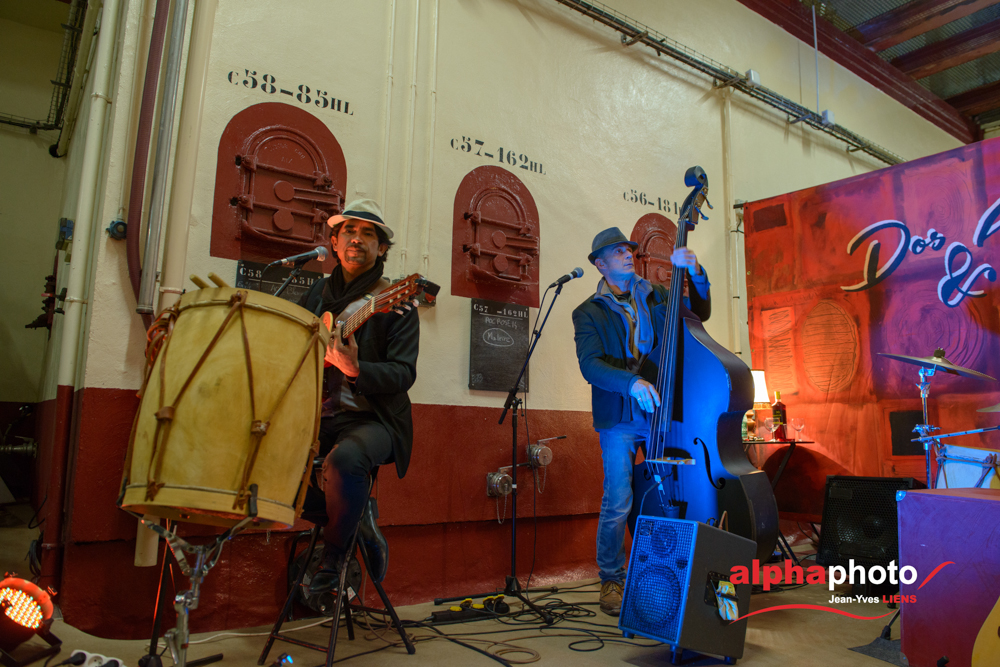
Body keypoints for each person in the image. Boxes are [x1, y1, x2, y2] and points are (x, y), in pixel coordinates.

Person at [571, 226, 711, 616]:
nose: (627, 254)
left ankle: (669, 573)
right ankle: (612, 578)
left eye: (629, 250)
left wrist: (696, 272)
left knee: (669, 495)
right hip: (619, 418)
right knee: (618, 499)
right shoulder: (587, 312)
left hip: (663, 412)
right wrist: (631, 383)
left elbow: (699, 313)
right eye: (618, 252)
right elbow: (590, 366)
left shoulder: (658, 293)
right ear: (600, 264)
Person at [297, 198, 420, 594]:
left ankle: (333, 561)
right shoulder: (316, 294)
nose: (356, 239)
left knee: (345, 462)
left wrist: (355, 369)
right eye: (348, 231)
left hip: (373, 419)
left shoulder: (394, 300)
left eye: (369, 234)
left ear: (381, 249)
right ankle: (357, 518)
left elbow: (404, 373)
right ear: (334, 243)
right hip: (317, 416)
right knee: (272, 462)